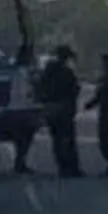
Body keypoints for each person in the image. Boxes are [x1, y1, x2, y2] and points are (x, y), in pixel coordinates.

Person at [38, 46, 83, 178]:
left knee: (57, 138)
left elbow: (41, 89)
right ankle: (71, 167)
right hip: (64, 107)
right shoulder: (66, 72)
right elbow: (74, 90)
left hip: (51, 107)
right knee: (68, 138)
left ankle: (63, 167)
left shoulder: (48, 72)